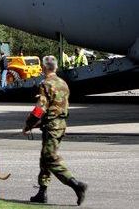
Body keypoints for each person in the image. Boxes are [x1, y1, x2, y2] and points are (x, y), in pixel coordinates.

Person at [23, 55, 87, 206]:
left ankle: (76, 185)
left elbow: (40, 108)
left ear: (44, 68)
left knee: (50, 158)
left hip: (52, 126)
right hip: (60, 125)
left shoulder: (46, 84)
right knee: (45, 158)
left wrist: (29, 124)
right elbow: (59, 107)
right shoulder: (63, 83)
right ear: (56, 68)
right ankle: (42, 192)